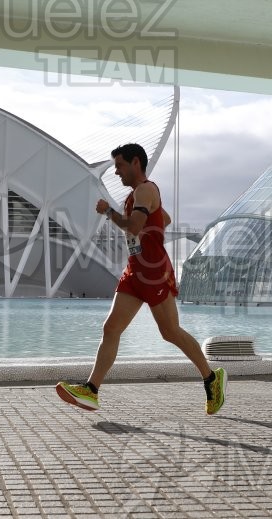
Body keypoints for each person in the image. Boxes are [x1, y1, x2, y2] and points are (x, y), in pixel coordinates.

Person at [55, 143, 227, 415]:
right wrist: (153, 224)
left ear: (136, 163)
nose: (115, 171)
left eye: (120, 165)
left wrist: (108, 212)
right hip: (135, 272)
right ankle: (91, 390)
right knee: (111, 328)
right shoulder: (138, 195)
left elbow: (134, 226)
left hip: (154, 273)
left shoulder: (146, 189)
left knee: (170, 332)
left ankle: (211, 379)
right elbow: (164, 219)